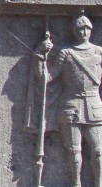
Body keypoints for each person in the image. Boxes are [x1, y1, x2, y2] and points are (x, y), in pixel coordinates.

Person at [41, 14, 102, 187]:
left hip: (94, 105)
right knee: (74, 151)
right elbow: (48, 77)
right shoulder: (66, 53)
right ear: (73, 31)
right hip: (71, 106)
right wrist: (40, 56)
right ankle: (76, 184)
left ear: (91, 30)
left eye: (86, 28)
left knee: (98, 151)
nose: (83, 31)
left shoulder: (98, 52)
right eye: (79, 28)